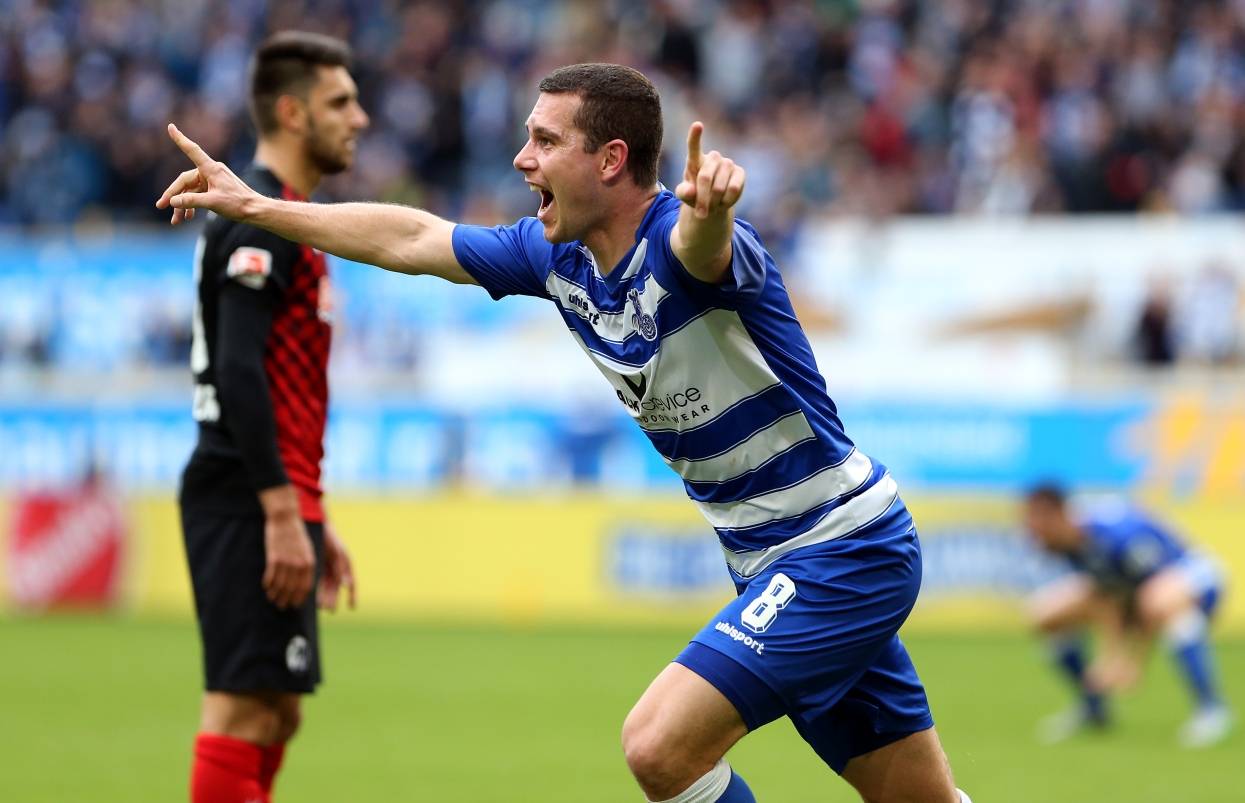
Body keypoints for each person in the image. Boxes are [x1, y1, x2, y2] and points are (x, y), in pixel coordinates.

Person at [159, 63, 970, 803]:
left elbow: (700, 247)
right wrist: (262, 207)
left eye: (544, 141)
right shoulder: (556, 259)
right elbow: (412, 238)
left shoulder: (684, 242)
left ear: (610, 160)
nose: (522, 159)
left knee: (658, 747)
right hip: (768, 562)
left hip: (839, 548)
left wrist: (713, 211)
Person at [175, 31, 367, 803]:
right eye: (340, 102)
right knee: (244, 708)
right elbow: (238, 371)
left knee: (277, 710)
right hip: (244, 493)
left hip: (271, 494)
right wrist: (283, 510)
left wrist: (313, 517)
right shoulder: (259, 216)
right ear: (292, 113)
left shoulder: (285, 215)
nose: (359, 118)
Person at [1021, 483, 1232, 748]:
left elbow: (1150, 595)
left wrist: (1134, 662)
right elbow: (1106, 597)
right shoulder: (1068, 542)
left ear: (1058, 514)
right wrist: (1109, 656)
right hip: (1139, 590)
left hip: (1194, 576)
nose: (1030, 528)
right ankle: (1094, 707)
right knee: (1044, 614)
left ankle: (1211, 709)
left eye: (1035, 519)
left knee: (1163, 605)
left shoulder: (1115, 536)